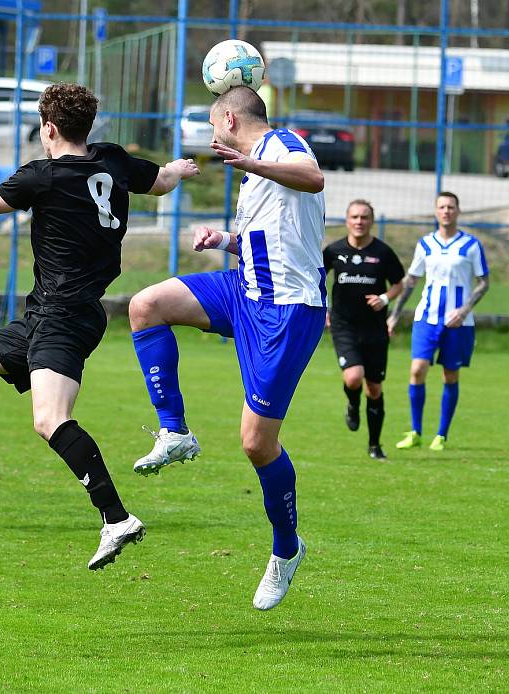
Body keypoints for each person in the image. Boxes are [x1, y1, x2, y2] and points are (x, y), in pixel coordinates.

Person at [0, 83, 199, 569]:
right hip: (58, 312)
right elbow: (163, 182)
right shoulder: (112, 159)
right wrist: (181, 167)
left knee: (50, 420)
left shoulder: (43, 175)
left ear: (48, 129)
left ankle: (116, 517)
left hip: (63, 315)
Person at [128, 86, 326, 610]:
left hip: (287, 309)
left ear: (231, 120)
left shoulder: (282, 145)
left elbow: (314, 179)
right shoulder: (252, 167)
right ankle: (174, 431)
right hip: (244, 287)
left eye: (214, 125)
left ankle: (287, 549)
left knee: (257, 444)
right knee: (145, 305)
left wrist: (254, 166)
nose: (212, 137)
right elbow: (277, 240)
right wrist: (224, 241)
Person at [387, 191, 489, 452]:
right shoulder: (425, 245)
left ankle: (441, 435)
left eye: (451, 207)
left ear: (458, 211)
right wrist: (395, 314)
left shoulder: (471, 245)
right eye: (442, 207)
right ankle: (415, 431)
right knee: (417, 370)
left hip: (458, 323)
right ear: (436, 211)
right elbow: (412, 280)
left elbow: (483, 282)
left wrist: (464, 310)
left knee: (449, 375)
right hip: (427, 318)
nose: (446, 211)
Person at [323, 200, 404, 460]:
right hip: (344, 324)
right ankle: (352, 403)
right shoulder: (334, 251)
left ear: (371, 221)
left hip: (375, 328)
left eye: (365, 217)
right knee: (353, 377)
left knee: (375, 388)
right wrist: (323, 308)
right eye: (355, 217)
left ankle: (374, 445)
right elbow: (316, 278)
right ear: (347, 220)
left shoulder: (383, 252)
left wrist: (385, 299)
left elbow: (399, 283)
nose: (359, 221)